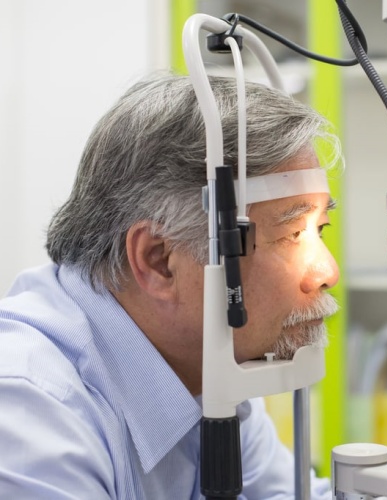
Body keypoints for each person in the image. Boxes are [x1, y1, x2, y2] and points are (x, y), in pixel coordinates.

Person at [0, 74, 341, 498]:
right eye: (291, 234)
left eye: (320, 230)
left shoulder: (207, 370)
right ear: (160, 261)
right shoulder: (30, 413)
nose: (327, 272)